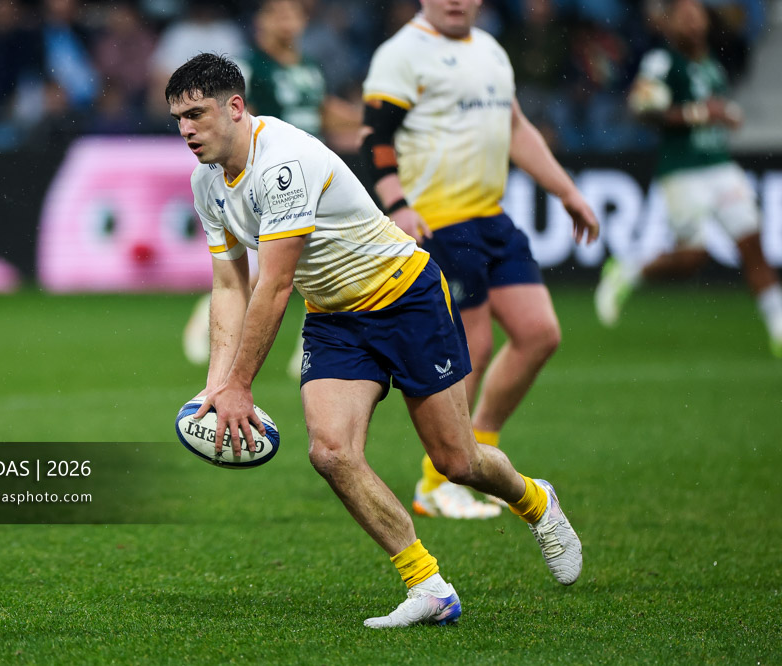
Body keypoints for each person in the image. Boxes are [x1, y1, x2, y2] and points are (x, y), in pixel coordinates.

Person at [167, 53, 582, 628]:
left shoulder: (282, 163)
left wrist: (242, 383)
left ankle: (536, 502)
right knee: (331, 451)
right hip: (337, 319)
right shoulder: (205, 182)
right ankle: (427, 585)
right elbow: (230, 283)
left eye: (197, 113)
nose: (186, 129)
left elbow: (276, 283)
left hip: (406, 297)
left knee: (457, 461)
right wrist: (218, 385)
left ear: (235, 108)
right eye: (178, 118)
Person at [360, 0, 600, 519]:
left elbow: (516, 130)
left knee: (539, 334)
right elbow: (375, 139)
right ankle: (436, 479)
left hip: (491, 217)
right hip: (438, 218)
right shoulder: (401, 54)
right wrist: (397, 205)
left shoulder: (490, 50)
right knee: (477, 344)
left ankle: (478, 457)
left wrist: (566, 190)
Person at [594, 0, 782, 358]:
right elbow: (640, 108)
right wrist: (698, 113)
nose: (694, 24)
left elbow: (713, 109)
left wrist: (725, 114)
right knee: (692, 256)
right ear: (670, 24)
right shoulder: (662, 62)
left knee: (753, 244)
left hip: (720, 166)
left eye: (698, 16)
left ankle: (778, 327)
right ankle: (629, 271)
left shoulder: (710, 64)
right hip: (683, 170)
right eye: (686, 18)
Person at [180, 0, 360, 372]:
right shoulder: (253, 67)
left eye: (294, 14)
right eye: (279, 14)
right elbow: (241, 123)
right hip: (275, 177)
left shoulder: (308, 66)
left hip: (310, 174)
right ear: (261, 22)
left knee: (304, 265)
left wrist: (369, 122)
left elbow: (322, 110)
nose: (288, 22)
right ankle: (213, 314)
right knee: (283, 270)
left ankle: (309, 349)